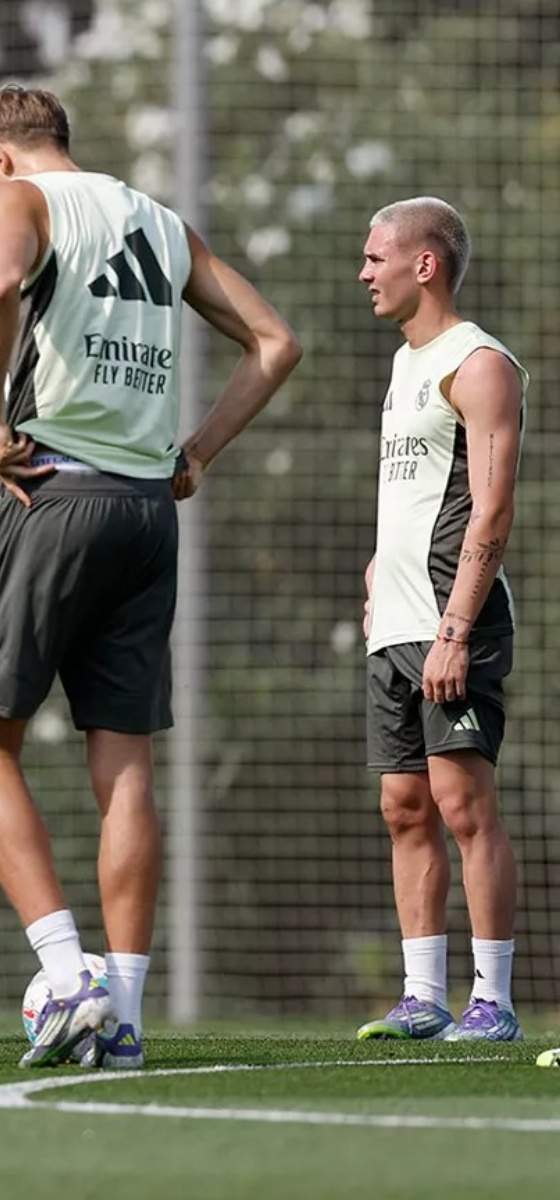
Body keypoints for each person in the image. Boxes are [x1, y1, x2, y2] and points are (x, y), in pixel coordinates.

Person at [0, 85, 299, 1069]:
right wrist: (196, 453)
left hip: (54, 494)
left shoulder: (22, 199)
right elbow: (275, 341)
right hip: (147, 510)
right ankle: (125, 1013)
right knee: (124, 768)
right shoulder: (157, 220)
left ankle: (65, 977)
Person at [353, 198, 525, 1044]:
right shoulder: (403, 364)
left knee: (463, 804)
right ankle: (423, 996)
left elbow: (491, 512)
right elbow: (416, 490)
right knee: (403, 805)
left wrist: (456, 628)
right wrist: (377, 573)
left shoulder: (480, 362)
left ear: (424, 264)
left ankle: (491, 1002)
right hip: (396, 622)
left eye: (376, 256)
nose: (364, 272)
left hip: (456, 623)